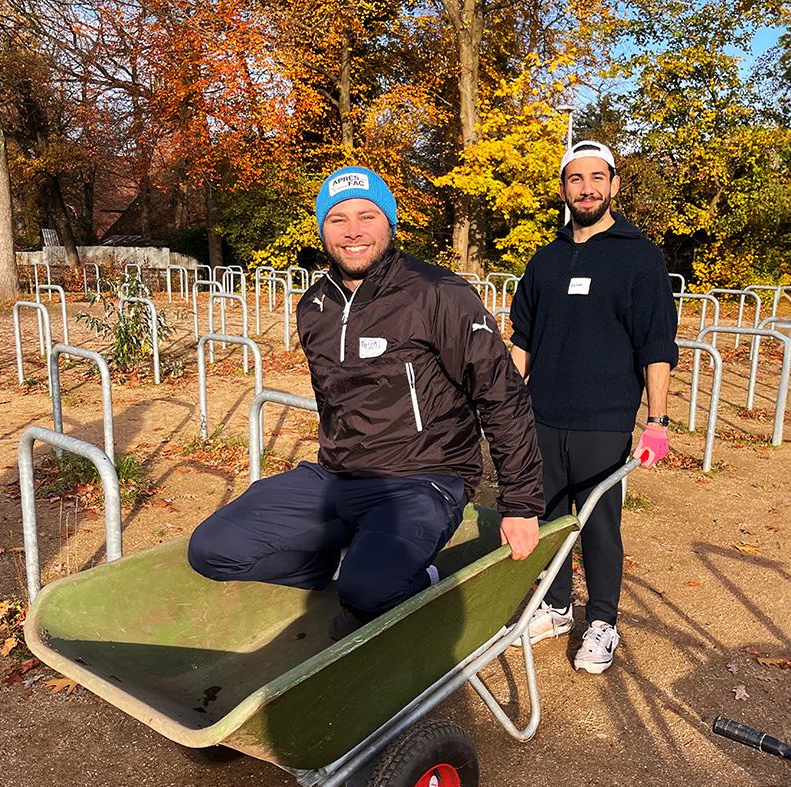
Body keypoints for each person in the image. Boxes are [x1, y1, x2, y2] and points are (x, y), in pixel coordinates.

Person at [188, 166, 543, 640]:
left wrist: (520, 504)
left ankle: (395, 582)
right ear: (322, 229)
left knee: (365, 598)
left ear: (390, 223)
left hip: (422, 479)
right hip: (337, 476)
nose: (353, 231)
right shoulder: (314, 306)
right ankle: (341, 568)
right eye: (337, 219)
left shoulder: (438, 294)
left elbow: (501, 395)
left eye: (367, 215)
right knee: (212, 550)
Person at [509, 139, 678, 674]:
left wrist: (656, 421)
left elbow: (656, 344)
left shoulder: (639, 257)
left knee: (600, 524)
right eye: (576, 180)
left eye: (597, 178)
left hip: (604, 420)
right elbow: (524, 338)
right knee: (549, 517)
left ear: (614, 185)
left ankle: (603, 622)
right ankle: (557, 607)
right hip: (542, 414)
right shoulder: (545, 259)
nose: (587, 189)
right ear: (563, 189)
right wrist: (509, 406)